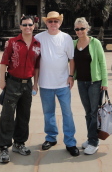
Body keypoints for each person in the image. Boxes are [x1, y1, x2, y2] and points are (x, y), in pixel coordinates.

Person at [33, 11, 79, 157]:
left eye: (56, 21)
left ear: (60, 22)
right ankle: (51, 137)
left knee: (67, 113)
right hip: (45, 83)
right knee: (48, 113)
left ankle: (70, 141)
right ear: (45, 23)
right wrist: (35, 83)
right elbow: (34, 61)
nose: (53, 24)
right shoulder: (38, 38)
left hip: (63, 83)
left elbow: (72, 59)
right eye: (50, 21)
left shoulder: (66, 38)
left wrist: (71, 76)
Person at [0, 16, 41, 164]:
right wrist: (2, 80)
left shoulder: (37, 44)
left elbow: (36, 67)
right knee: (7, 115)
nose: (27, 27)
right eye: (25, 25)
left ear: (34, 26)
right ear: (20, 26)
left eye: (30, 25)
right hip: (12, 82)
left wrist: (35, 84)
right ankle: (3, 147)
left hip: (27, 83)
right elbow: (4, 63)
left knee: (24, 115)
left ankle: (19, 143)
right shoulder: (13, 43)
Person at [73, 17, 107, 155]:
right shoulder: (73, 43)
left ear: (87, 28)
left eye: (82, 28)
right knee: (88, 113)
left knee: (94, 112)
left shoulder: (95, 43)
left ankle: (94, 142)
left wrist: (105, 82)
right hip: (81, 82)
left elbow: (102, 63)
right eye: (77, 29)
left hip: (95, 82)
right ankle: (90, 137)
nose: (80, 31)